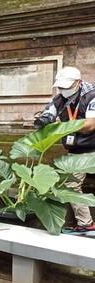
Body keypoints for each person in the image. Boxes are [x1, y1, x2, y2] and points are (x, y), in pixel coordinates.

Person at [38, 66, 95, 234]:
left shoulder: (92, 96)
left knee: (71, 184)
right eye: (60, 86)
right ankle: (86, 224)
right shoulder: (59, 99)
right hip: (77, 150)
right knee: (69, 184)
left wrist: (62, 126)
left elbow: (91, 124)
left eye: (66, 86)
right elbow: (48, 113)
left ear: (78, 82)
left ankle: (86, 224)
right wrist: (43, 119)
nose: (63, 90)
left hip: (92, 147)